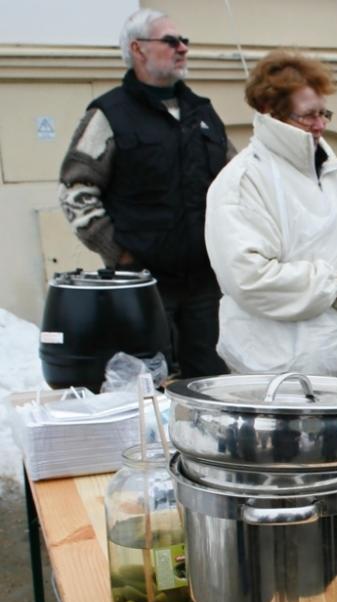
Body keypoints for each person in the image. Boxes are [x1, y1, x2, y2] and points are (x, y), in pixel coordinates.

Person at [58, 9, 231, 379]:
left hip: (206, 284)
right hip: (143, 285)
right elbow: (76, 188)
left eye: (184, 41)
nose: (183, 48)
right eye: (171, 41)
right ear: (137, 49)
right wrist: (118, 252)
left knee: (212, 383)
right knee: (150, 383)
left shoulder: (202, 112)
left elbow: (235, 183)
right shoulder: (109, 114)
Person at [204, 52, 337, 378]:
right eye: (308, 116)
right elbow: (249, 278)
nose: (320, 125)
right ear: (269, 112)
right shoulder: (242, 182)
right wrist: (336, 285)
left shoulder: (330, 170)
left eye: (323, 113)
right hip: (277, 375)